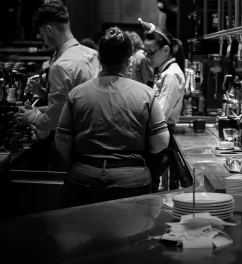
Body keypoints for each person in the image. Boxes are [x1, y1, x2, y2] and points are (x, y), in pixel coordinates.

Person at [55, 27, 169, 208]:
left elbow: (61, 143)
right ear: (129, 61)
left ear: (99, 59)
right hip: (132, 180)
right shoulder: (146, 94)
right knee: (132, 235)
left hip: (83, 177)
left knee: (82, 234)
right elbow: (161, 141)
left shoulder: (76, 94)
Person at [16, 1, 99, 159]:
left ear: (49, 30)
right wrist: (39, 106)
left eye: (42, 35)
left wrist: (31, 117)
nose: (43, 40)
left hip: (77, 148)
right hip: (98, 140)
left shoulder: (61, 66)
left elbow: (55, 119)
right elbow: (74, 105)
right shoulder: (93, 54)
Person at [140, 19, 186, 191]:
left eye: (151, 53)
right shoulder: (165, 72)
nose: (148, 57)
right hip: (157, 133)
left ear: (166, 50)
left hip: (160, 134)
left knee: (150, 184)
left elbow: (162, 114)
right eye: (146, 52)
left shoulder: (171, 75)